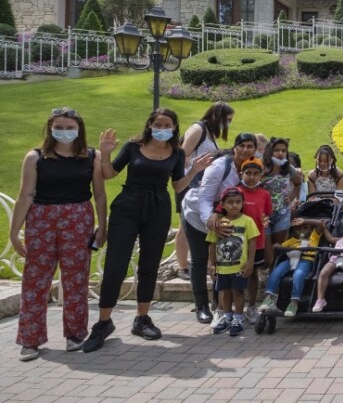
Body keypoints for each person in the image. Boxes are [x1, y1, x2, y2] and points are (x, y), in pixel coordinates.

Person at [84, 109, 211, 353]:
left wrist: (193, 171)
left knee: (149, 265)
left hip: (157, 209)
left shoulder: (177, 152)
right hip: (128, 206)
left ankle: (142, 318)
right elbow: (109, 174)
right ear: (150, 124)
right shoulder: (133, 147)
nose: (162, 127)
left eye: (168, 124)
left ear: (174, 128)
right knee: (115, 265)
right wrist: (106, 155)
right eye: (158, 123)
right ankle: (103, 322)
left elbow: (176, 186)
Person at [11, 107, 107, 362]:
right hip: (41, 220)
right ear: (51, 129)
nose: (64, 132)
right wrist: (14, 232)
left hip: (78, 219)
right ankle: (30, 339)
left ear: (79, 129)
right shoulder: (35, 157)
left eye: (69, 127)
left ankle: (75, 334)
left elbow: (99, 194)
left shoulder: (91, 157)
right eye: (59, 127)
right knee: (35, 280)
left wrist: (103, 226)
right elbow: (25, 196)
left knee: (76, 278)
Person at [181, 132, 258, 324]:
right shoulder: (221, 165)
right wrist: (211, 221)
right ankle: (202, 306)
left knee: (223, 259)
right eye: (242, 146)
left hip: (223, 215)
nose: (246, 150)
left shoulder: (249, 167)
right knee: (200, 259)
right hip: (197, 213)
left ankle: (219, 306)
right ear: (235, 147)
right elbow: (205, 196)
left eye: (250, 146)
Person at [175, 101, 233, 279]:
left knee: (193, 225)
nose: (228, 124)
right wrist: (193, 171)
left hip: (201, 184)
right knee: (184, 225)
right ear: (218, 116)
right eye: (227, 119)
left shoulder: (210, 134)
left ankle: (196, 262)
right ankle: (182, 266)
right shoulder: (198, 128)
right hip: (188, 181)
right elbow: (182, 154)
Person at [206, 187, 259, 337]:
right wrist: (211, 263)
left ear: (243, 203)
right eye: (230, 202)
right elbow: (212, 243)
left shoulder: (247, 221)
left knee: (238, 292)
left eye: (238, 202)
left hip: (239, 267)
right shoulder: (218, 224)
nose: (234, 205)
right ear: (222, 205)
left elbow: (253, 242)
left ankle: (238, 318)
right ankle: (227, 316)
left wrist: (250, 262)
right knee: (224, 292)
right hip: (223, 267)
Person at [261, 217, 328, 317]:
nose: (301, 230)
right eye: (298, 228)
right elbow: (281, 247)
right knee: (277, 271)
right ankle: (268, 297)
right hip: (291, 259)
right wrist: (276, 246)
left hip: (306, 259)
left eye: (305, 228)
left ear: (310, 229)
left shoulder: (314, 236)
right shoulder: (292, 240)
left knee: (299, 273)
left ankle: (294, 302)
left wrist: (305, 220)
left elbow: (320, 224)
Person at [237, 157, 272, 323]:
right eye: (248, 173)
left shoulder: (265, 194)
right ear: (241, 174)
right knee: (235, 276)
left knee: (252, 275)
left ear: (261, 176)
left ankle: (251, 307)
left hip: (257, 241)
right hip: (237, 242)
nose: (251, 177)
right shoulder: (235, 191)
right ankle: (234, 310)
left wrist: (265, 220)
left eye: (255, 173)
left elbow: (266, 214)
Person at [260, 137, 302, 274]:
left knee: (278, 249)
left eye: (283, 150)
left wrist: (293, 198)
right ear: (270, 151)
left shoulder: (288, 169)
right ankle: (265, 271)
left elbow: (298, 182)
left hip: (282, 213)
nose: (280, 153)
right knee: (268, 256)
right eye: (277, 150)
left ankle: (271, 285)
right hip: (264, 215)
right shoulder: (261, 168)